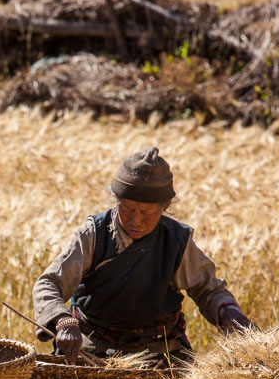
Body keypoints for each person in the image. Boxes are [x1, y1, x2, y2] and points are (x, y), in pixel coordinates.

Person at [32, 146, 253, 367]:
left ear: (164, 207)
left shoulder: (176, 241)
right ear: (116, 201)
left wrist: (229, 314)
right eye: (127, 209)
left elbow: (209, 290)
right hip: (93, 354)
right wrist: (63, 321)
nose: (135, 221)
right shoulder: (94, 234)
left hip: (160, 355)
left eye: (146, 212)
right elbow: (48, 284)